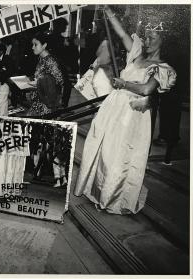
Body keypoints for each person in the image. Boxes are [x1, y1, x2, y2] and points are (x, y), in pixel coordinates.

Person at [74, 5, 177, 214]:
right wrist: (108, 11)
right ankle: (97, 191)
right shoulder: (137, 53)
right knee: (102, 149)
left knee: (119, 155)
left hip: (132, 114)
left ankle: (113, 198)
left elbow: (147, 89)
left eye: (152, 38)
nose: (147, 41)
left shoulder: (162, 68)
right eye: (146, 37)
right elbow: (121, 33)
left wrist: (124, 84)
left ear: (162, 41)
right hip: (113, 107)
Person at [26, 31, 65, 117]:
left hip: (45, 106)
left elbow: (59, 83)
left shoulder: (50, 61)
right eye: (32, 44)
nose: (33, 47)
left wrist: (40, 83)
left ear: (44, 45)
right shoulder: (41, 58)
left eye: (35, 45)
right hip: (38, 103)